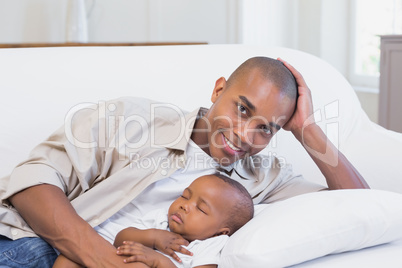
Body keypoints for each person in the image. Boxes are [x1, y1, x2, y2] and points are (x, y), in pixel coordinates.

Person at [0, 57, 369, 267]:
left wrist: (307, 129)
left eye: (266, 129)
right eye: (242, 109)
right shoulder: (131, 118)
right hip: (31, 244)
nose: (244, 135)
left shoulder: (265, 177)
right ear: (218, 89)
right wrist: (103, 260)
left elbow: (361, 211)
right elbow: (32, 182)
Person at [53, 173, 254, 267]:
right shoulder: (161, 221)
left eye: (200, 208)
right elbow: (119, 240)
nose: (185, 205)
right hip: (113, 263)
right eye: (185, 196)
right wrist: (151, 237)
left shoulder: (209, 244)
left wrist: (158, 261)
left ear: (221, 231)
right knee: (69, 258)